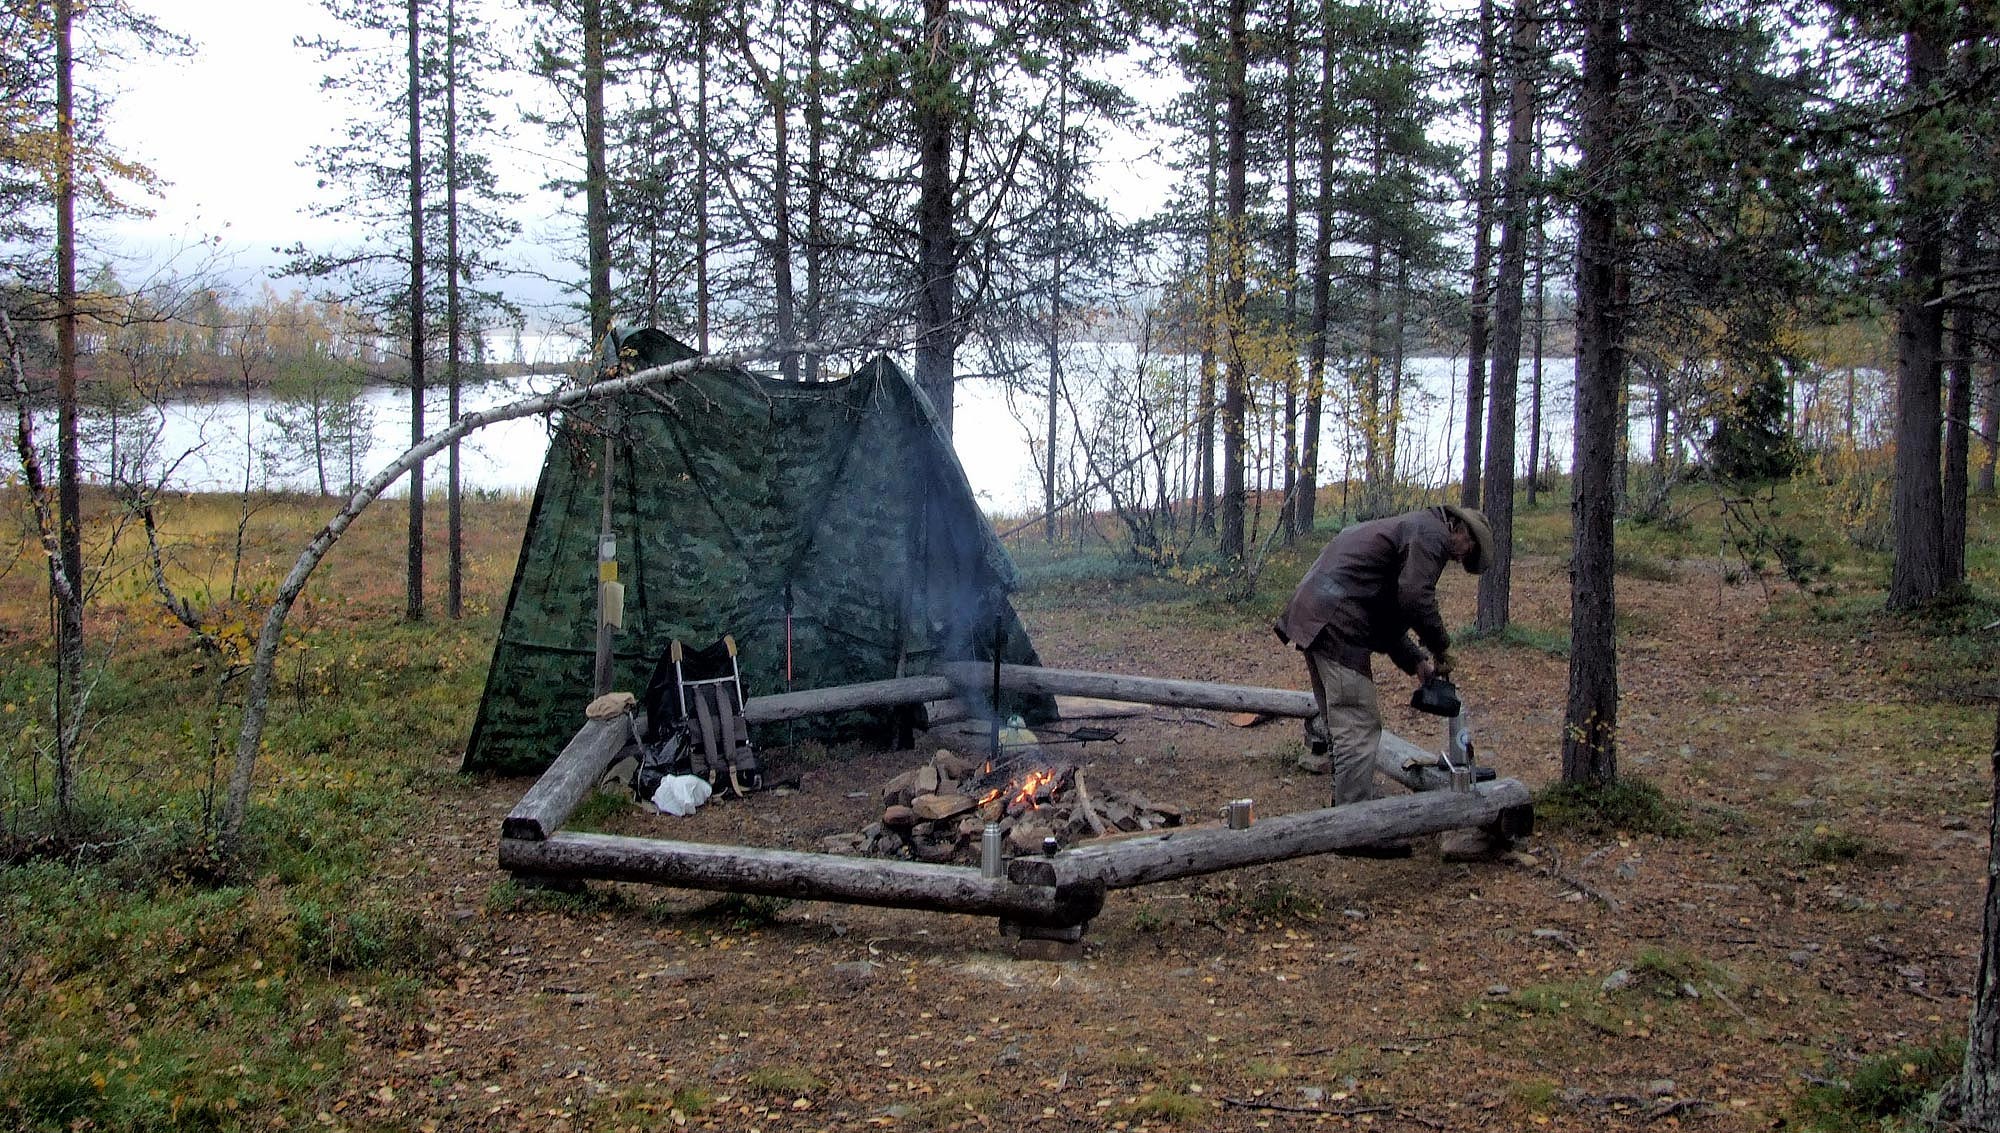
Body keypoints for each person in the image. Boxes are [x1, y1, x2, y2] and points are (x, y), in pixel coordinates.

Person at [1274, 504, 1493, 857]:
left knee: (1342, 723)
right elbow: (1414, 598)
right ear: (1463, 532)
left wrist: (1416, 661)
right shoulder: (1431, 533)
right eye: (1469, 551)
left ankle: (1346, 807)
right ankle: (1354, 830)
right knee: (1359, 724)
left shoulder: (1414, 529)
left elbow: (1387, 610)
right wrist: (1441, 648)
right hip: (1337, 622)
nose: (1461, 558)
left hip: (1319, 614)